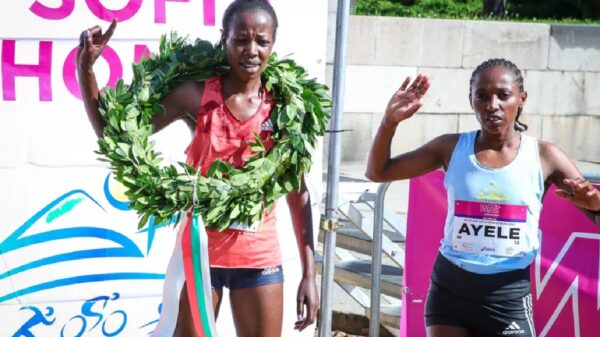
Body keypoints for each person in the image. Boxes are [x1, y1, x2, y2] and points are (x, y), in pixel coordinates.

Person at [76, 1, 319, 336]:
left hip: (259, 258)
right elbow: (113, 135)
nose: (251, 50)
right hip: (201, 254)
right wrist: (86, 72)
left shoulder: (284, 109)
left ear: (273, 43)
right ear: (224, 39)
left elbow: (298, 193)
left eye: (261, 41)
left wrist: (310, 273)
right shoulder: (196, 95)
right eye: (241, 40)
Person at [365, 58, 600, 337]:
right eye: (482, 96)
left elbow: (594, 211)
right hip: (450, 292)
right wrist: (389, 122)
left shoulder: (544, 156)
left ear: (521, 99)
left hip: (507, 297)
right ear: (471, 101)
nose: (492, 105)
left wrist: (596, 206)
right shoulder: (450, 147)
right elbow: (378, 172)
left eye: (503, 95)